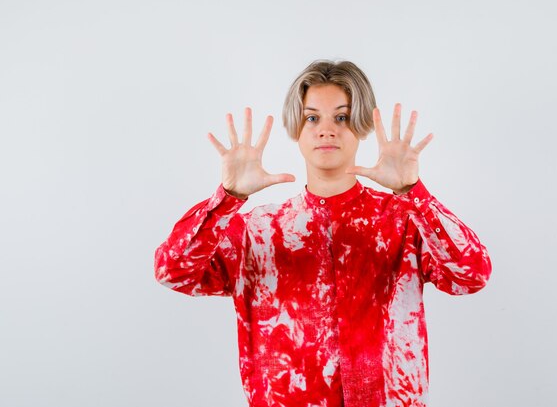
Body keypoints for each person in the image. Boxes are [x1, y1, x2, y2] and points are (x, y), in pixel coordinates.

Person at [154, 60, 492, 407]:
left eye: (342, 117)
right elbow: (172, 271)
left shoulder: (403, 221)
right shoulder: (257, 231)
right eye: (312, 117)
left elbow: (472, 275)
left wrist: (413, 193)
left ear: (361, 126)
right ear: (296, 129)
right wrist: (228, 199)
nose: (326, 130)